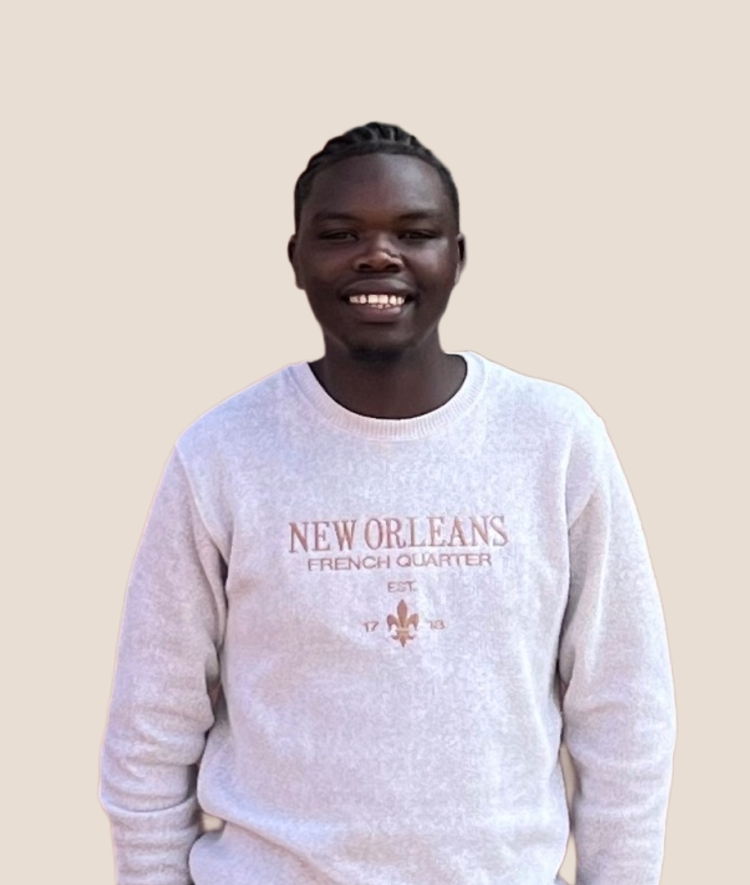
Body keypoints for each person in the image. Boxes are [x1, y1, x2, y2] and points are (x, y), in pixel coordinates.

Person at [100, 122, 676, 885]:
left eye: (416, 231)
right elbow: (151, 724)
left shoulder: (554, 439)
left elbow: (625, 706)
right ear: (296, 260)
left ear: (457, 257)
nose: (379, 254)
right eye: (341, 233)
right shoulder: (223, 454)